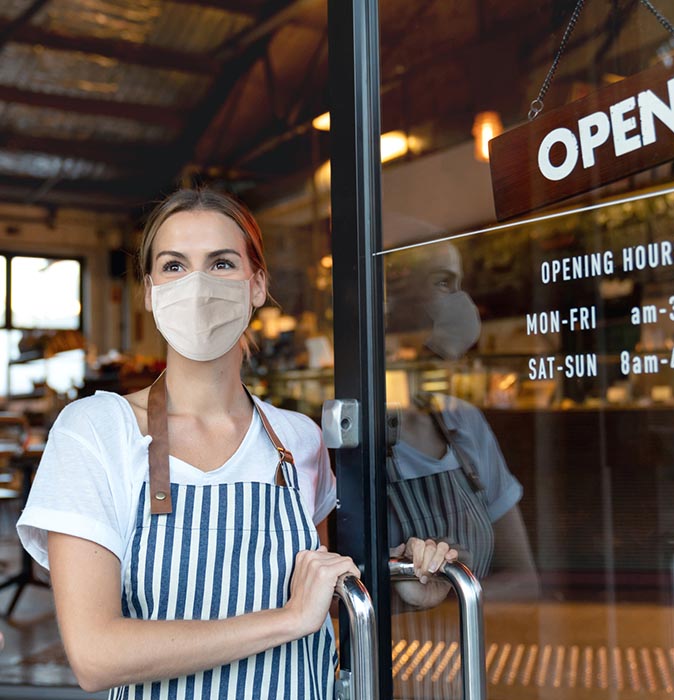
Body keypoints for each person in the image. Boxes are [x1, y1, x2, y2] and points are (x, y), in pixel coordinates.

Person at [15, 188, 455, 699]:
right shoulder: (95, 431)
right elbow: (96, 655)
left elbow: (318, 595)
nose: (198, 285)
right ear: (150, 291)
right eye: (174, 266)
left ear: (256, 285)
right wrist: (285, 621)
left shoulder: (298, 440)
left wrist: (403, 582)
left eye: (221, 264)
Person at [385, 242, 539, 607]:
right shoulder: (346, 439)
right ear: (391, 298)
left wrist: (453, 591)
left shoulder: (465, 421)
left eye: (459, 285)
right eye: (443, 283)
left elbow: (525, 581)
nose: (460, 302)